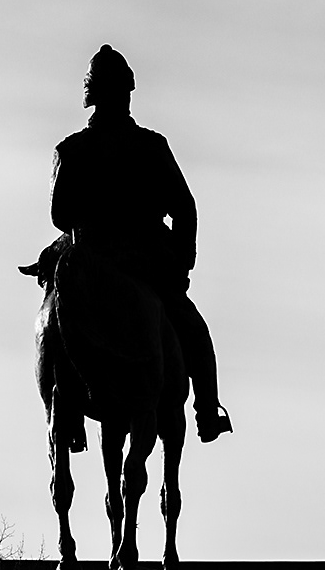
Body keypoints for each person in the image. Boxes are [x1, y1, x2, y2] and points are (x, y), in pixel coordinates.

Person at [49, 45, 232, 443]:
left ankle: (66, 415)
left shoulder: (72, 151)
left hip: (89, 259)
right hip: (142, 262)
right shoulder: (150, 147)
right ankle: (206, 411)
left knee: (56, 321)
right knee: (195, 332)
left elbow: (59, 216)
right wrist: (181, 263)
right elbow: (184, 208)